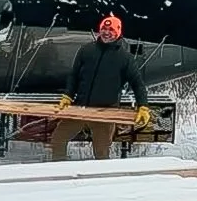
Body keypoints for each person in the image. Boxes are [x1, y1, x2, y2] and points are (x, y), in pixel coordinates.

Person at [49, 14, 152, 161]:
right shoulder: (86, 50)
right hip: (80, 107)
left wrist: (143, 107)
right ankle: (60, 172)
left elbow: (138, 84)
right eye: (104, 28)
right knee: (58, 139)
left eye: (111, 30)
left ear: (118, 33)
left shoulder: (125, 58)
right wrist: (68, 96)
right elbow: (74, 76)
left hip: (105, 112)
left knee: (101, 153)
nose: (106, 32)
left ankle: (99, 182)